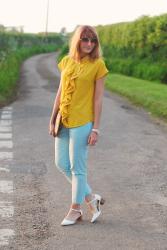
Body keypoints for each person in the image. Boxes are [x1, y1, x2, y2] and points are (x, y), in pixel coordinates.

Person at [49, 25, 109, 226]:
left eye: (93, 40)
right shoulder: (66, 62)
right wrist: (52, 117)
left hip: (83, 122)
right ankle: (91, 198)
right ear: (78, 40)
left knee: (78, 167)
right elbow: (60, 92)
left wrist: (96, 128)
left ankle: (75, 209)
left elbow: (98, 99)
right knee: (61, 164)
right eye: (85, 39)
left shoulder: (98, 65)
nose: (89, 44)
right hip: (63, 119)